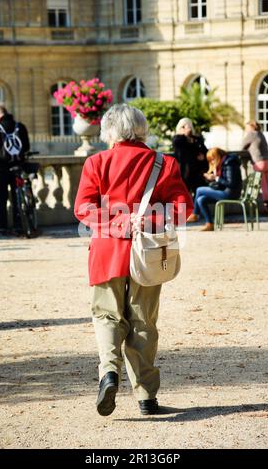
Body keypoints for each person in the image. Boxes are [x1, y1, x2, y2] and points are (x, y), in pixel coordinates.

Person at [74, 104, 193, 416]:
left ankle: (109, 373)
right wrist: (151, 220)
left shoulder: (96, 162)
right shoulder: (163, 163)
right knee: (143, 321)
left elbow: (83, 209)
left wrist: (117, 223)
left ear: (109, 132)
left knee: (106, 316)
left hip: (106, 251)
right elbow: (183, 210)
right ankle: (146, 398)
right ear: (142, 129)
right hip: (149, 254)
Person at [0, 106, 30, 235]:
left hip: (2, 168)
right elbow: (26, 146)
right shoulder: (20, 126)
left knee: (2, 198)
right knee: (17, 197)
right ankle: (18, 225)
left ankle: (3, 227)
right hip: (18, 167)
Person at [187, 147, 242, 231]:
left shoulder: (230, 163)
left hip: (230, 193)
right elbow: (222, 183)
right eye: (210, 160)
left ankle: (195, 214)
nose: (212, 162)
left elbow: (231, 183)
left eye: (213, 159)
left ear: (218, 156)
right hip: (225, 191)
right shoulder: (224, 163)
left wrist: (216, 178)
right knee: (201, 199)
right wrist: (212, 179)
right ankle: (209, 224)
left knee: (199, 190)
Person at [241, 120, 268, 215]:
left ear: (251, 127)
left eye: (246, 127)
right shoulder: (261, 134)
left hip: (259, 162)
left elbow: (242, 146)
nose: (245, 129)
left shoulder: (251, 134)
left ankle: (267, 208)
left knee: (264, 186)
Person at [172, 117, 208, 194]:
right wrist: (185, 135)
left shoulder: (197, 139)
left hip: (197, 171)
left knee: (198, 192)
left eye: (188, 125)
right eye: (183, 126)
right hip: (184, 171)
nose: (186, 128)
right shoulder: (177, 139)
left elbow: (204, 150)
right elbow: (183, 148)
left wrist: (203, 156)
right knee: (184, 192)